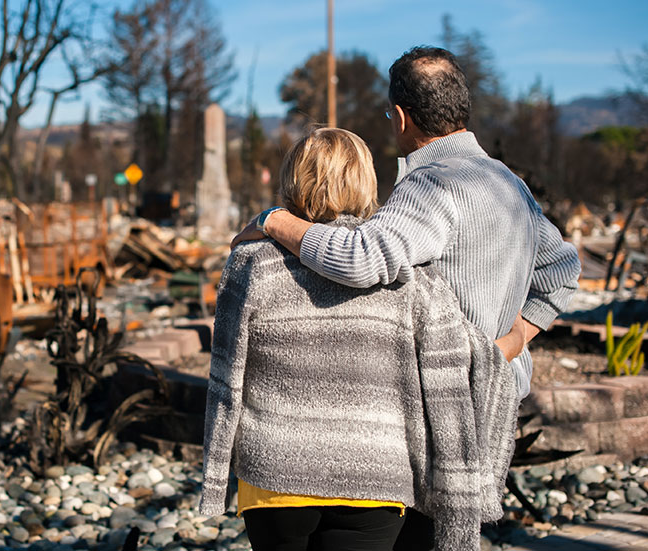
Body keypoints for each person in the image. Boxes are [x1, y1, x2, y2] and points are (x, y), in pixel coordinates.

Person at [231, 48, 581, 546]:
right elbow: (562, 269)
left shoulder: (434, 185)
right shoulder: (509, 184)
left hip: (439, 404)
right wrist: (513, 340)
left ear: (399, 116)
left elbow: (361, 258)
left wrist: (274, 221)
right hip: (491, 400)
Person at [200, 127, 520, 551]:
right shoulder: (408, 275)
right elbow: (454, 367)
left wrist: (216, 473)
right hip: (376, 478)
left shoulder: (250, 261)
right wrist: (516, 337)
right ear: (367, 181)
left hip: (273, 473)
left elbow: (226, 375)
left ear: (291, 180)